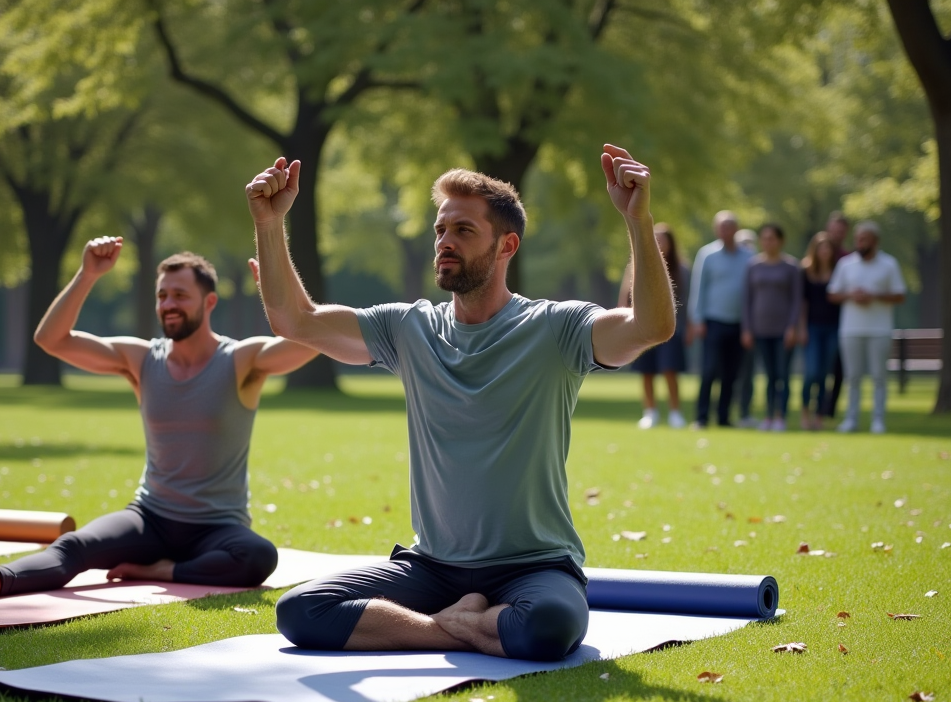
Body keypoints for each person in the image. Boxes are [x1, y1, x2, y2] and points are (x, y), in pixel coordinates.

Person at [247, 145, 673, 661]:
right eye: (440, 231)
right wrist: (269, 223)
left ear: (506, 245)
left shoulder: (557, 327)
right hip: (433, 567)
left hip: (534, 565)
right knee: (302, 609)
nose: (444, 243)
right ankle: (461, 625)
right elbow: (296, 321)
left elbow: (651, 326)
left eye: (464, 231)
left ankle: (453, 622)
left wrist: (638, 220)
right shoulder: (408, 327)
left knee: (548, 628)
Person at [0, 240, 318, 602]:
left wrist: (276, 287)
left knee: (258, 556)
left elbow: (311, 338)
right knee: (74, 546)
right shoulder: (141, 359)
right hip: (150, 518)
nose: (169, 304)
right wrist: (88, 275)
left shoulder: (241, 361)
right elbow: (51, 339)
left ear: (210, 301)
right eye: (162, 295)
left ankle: (165, 569)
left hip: (217, 527)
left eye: (180, 295)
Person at [827, 221, 906, 434]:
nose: (860, 243)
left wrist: (875, 296)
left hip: (879, 329)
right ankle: (851, 419)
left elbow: (900, 294)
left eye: (864, 240)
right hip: (850, 330)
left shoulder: (889, 264)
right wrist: (852, 295)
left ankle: (878, 420)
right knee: (852, 377)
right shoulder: (846, 264)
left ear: (875, 241)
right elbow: (833, 293)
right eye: (858, 239)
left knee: (879, 376)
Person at [687, 211, 752, 428]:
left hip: (740, 323)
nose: (726, 231)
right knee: (709, 370)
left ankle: (724, 417)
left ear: (736, 229)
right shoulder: (707, 254)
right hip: (713, 321)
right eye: (722, 227)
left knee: (731, 373)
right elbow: (699, 288)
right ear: (717, 230)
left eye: (730, 227)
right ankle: (702, 417)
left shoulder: (749, 257)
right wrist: (697, 319)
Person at [741, 223, 802, 431]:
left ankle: (781, 416)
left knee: (782, 375)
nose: (768, 242)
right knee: (768, 376)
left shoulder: (791, 267)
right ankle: (768, 416)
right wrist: (747, 329)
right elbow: (747, 300)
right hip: (760, 330)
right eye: (764, 238)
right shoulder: (753, 266)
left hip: (783, 331)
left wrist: (792, 327)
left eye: (772, 238)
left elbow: (796, 300)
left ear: (780, 241)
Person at [627, 223, 689, 429]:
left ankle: (675, 413)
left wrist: (688, 326)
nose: (660, 243)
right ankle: (650, 412)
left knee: (670, 370)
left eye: (663, 239)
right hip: (643, 328)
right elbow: (626, 297)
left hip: (671, 329)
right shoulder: (637, 265)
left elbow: (687, 301)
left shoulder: (682, 269)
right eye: (656, 238)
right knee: (647, 371)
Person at [799, 232, 841, 430]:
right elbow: (802, 303)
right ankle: (805, 412)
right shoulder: (805, 271)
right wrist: (802, 328)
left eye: (828, 248)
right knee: (811, 373)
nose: (825, 251)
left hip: (833, 328)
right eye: (821, 247)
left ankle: (819, 417)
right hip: (812, 328)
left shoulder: (839, 271)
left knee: (825, 375)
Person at [821, 211, 850, 417]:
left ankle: (830, 408)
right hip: (819, 320)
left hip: (843, 320)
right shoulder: (815, 258)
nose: (836, 234)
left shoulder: (849, 260)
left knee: (839, 368)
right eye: (833, 230)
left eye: (840, 231)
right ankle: (819, 406)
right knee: (819, 367)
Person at [733, 228, 760, 428]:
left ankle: (744, 411)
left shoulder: (757, 266)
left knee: (748, 372)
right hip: (728, 324)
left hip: (751, 327)